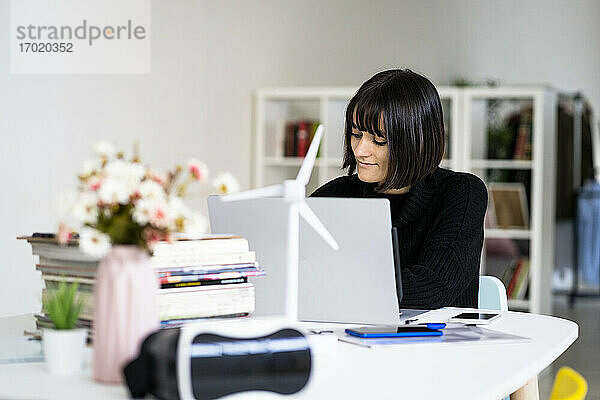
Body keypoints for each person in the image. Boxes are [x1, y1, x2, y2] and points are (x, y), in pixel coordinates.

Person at [310, 69, 487, 309]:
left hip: (439, 342)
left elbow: (433, 287)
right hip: (351, 337)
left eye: (379, 140)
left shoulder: (461, 193)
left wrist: (334, 285)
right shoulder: (334, 196)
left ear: (417, 140)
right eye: (355, 134)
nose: (360, 150)